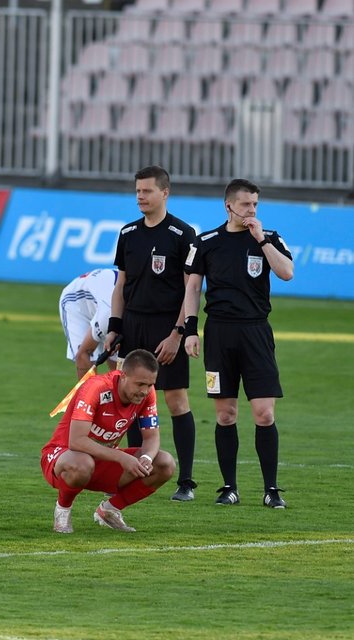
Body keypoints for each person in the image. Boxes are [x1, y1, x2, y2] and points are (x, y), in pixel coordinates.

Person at [183, 178, 294, 509]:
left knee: (264, 413)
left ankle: (271, 489)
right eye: (247, 205)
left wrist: (260, 240)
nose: (252, 210)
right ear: (229, 206)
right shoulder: (207, 242)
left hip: (256, 333)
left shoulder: (269, 238)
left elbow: (287, 273)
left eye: (256, 205)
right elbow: (192, 289)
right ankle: (229, 486)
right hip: (219, 335)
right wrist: (191, 330)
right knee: (226, 414)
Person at [105, 165, 200, 502]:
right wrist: (115, 326)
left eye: (146, 191)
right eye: (137, 191)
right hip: (133, 325)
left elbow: (191, 288)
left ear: (165, 193)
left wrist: (178, 332)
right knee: (130, 400)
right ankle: (134, 471)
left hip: (165, 326)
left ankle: (186, 481)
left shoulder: (182, 234)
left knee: (175, 400)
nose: (140, 197)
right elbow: (121, 284)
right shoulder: (128, 233)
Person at [41, 348, 175, 534]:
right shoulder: (95, 388)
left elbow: (152, 437)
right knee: (82, 463)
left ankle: (109, 510)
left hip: (102, 461)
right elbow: (77, 441)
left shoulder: (147, 394)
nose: (145, 391)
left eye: (150, 384)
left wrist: (147, 457)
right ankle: (63, 510)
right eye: (140, 384)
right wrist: (121, 457)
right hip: (63, 457)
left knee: (165, 463)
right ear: (123, 375)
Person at [59, 268, 120, 378]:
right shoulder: (108, 314)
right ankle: (86, 395)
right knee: (88, 358)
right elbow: (83, 354)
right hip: (77, 302)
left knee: (120, 367)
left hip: (104, 300)